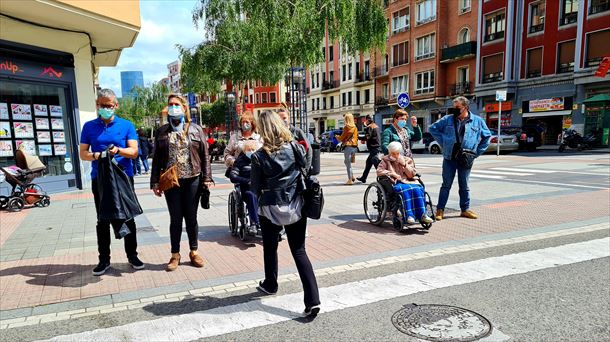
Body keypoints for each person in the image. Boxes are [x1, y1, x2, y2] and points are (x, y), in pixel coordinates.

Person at [251, 110, 320, 318]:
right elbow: (306, 169)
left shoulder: (258, 156)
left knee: (270, 248)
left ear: (263, 130)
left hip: (270, 208)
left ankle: (270, 284)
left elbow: (254, 188)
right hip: (297, 203)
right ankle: (313, 300)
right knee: (299, 251)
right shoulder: (295, 147)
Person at [79, 88, 144, 276]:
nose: (106, 108)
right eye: (102, 105)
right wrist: (96, 155)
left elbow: (134, 152)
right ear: (97, 105)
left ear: (116, 105)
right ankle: (104, 259)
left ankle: (132, 255)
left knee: (128, 216)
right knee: (102, 219)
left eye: (109, 105)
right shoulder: (89, 127)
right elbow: (83, 154)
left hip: (123, 178)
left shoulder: (127, 125)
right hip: (100, 179)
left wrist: (118, 150)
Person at [150, 94, 214, 271]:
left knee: (191, 218)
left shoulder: (196, 129)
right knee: (175, 219)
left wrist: (207, 178)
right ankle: (174, 254)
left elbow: (205, 155)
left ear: (184, 108)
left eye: (176, 104)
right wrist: (155, 182)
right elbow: (156, 159)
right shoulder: (162, 131)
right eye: (170, 105)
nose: (173, 107)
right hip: (172, 182)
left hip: (193, 178)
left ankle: (194, 251)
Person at [428, 96, 491, 221]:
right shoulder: (447, 119)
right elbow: (432, 129)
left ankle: (465, 210)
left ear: (465, 107)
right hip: (449, 157)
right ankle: (440, 210)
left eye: (458, 107)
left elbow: (487, 137)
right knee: (446, 185)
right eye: (454, 107)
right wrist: (444, 142)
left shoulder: (477, 121)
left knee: (464, 185)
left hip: (466, 158)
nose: (455, 109)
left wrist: (476, 153)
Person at [377, 142, 433, 225]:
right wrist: (392, 174)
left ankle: (423, 214)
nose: (395, 155)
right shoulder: (385, 160)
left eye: (397, 153)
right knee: (406, 189)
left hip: (409, 180)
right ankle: (410, 216)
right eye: (393, 153)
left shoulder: (407, 160)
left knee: (418, 188)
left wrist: (404, 164)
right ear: (389, 152)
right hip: (395, 182)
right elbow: (379, 171)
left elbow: (412, 174)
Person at [229, 140, 260, 235]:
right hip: (246, 188)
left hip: (260, 188)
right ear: (245, 150)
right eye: (249, 149)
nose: (251, 151)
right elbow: (233, 176)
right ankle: (254, 223)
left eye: (253, 149)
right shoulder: (240, 161)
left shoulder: (260, 159)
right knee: (251, 196)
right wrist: (247, 181)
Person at [356, 115, 381, 183]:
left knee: (377, 165)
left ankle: (382, 177)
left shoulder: (369, 127)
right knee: (368, 163)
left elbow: (367, 137)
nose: (364, 122)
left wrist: (358, 137)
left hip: (373, 148)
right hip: (376, 147)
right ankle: (363, 178)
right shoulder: (376, 126)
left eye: (365, 120)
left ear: (367, 120)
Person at [337, 113, 359, 185]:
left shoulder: (347, 127)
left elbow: (342, 137)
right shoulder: (355, 127)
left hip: (348, 146)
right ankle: (352, 176)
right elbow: (356, 137)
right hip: (354, 147)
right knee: (347, 162)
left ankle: (350, 179)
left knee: (347, 163)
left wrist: (337, 137)